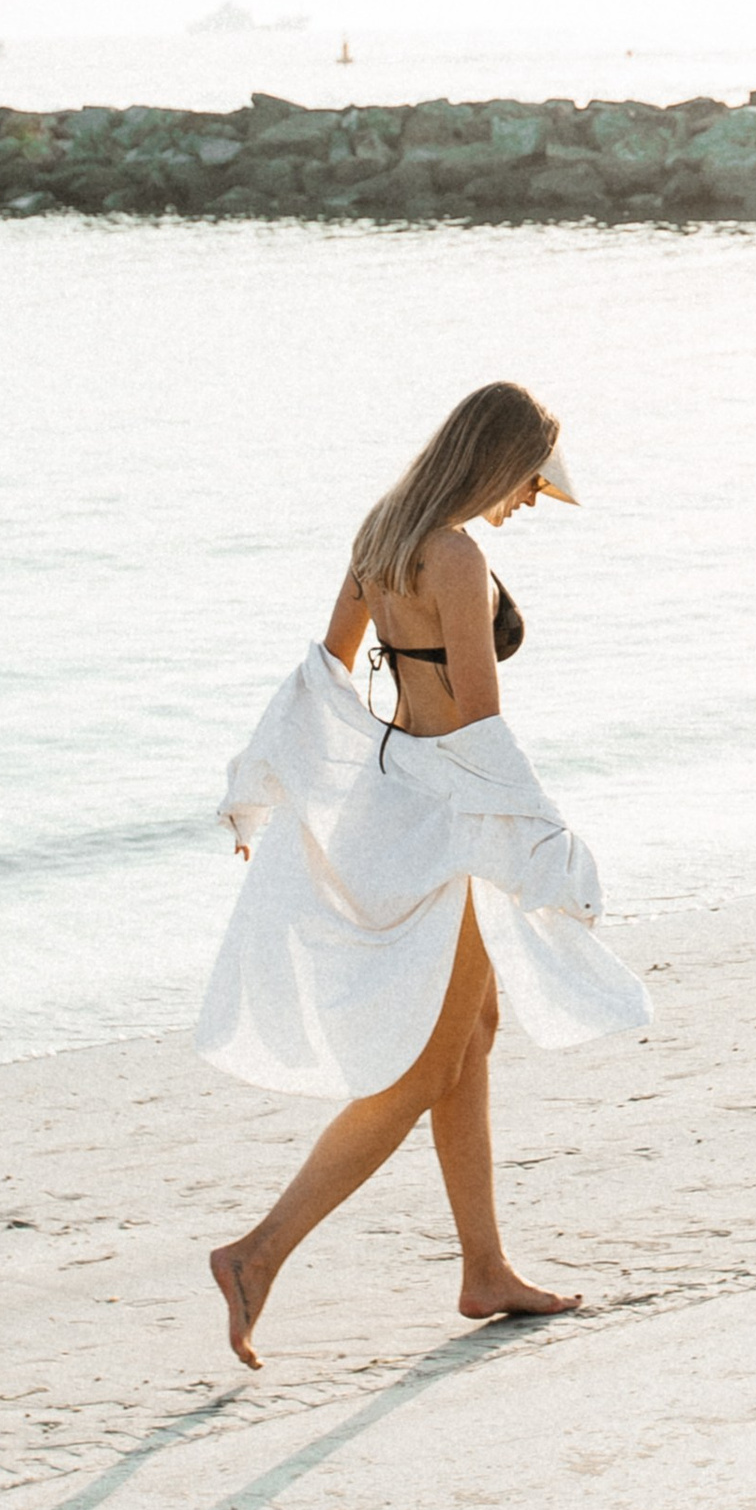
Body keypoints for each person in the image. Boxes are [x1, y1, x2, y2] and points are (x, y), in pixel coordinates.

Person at [197, 379, 650, 1368]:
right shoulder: (457, 556)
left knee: (471, 1034)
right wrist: (545, 840)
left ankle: (485, 1268)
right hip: (452, 822)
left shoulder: (382, 536)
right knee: (423, 1067)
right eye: (529, 480)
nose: (530, 499)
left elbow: (324, 676)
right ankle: (257, 1254)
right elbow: (480, 728)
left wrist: (268, 784)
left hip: (397, 807)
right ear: (498, 461)